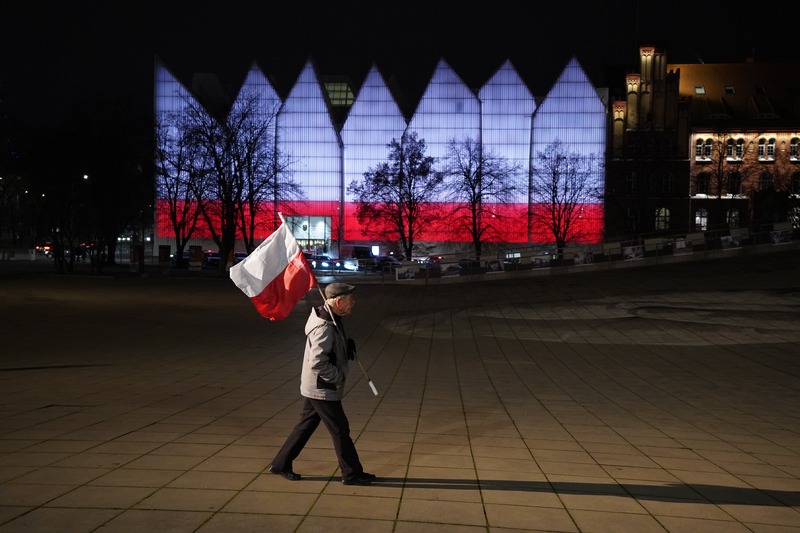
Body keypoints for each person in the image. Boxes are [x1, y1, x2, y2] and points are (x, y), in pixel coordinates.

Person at [268, 282, 377, 486]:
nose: (354, 303)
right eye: (350, 300)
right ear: (338, 301)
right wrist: (337, 377)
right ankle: (352, 474)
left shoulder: (330, 317)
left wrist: (345, 346)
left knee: (306, 426)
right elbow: (318, 361)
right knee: (340, 430)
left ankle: (281, 464)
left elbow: (329, 349)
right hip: (323, 388)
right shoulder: (325, 326)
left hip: (315, 386)